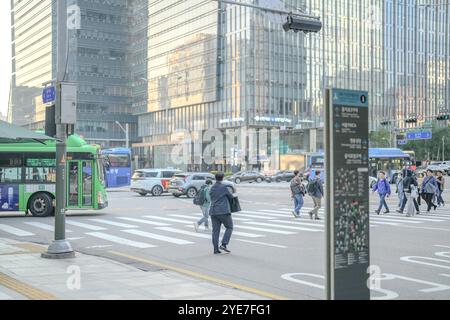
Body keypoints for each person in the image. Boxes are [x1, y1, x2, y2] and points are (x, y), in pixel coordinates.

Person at [209, 172, 235, 255]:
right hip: (223, 211)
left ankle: (215, 249)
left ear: (215, 178)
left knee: (215, 231)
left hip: (213, 211)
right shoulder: (224, 187)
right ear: (222, 178)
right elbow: (231, 197)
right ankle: (224, 244)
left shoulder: (212, 187)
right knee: (229, 227)